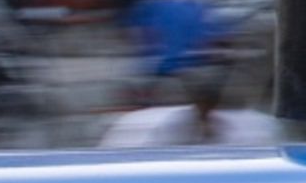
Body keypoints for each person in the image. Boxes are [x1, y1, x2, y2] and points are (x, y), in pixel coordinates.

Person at [99, 63, 283, 148]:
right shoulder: (170, 125)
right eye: (202, 102)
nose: (206, 107)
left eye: (210, 103)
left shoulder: (250, 127)